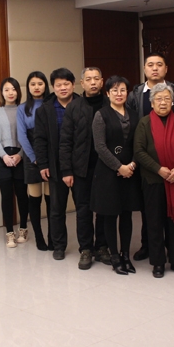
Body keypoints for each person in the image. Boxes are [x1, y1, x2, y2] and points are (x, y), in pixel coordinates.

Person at [127, 51, 174, 262]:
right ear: (152, 103)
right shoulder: (143, 120)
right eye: (158, 99)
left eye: (167, 99)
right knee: (152, 219)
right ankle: (157, 261)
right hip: (152, 177)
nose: (163, 102)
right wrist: (158, 169)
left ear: (173, 101)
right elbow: (139, 150)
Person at [60, 67, 110, 269]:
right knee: (83, 210)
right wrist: (66, 170)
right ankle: (86, 249)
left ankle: (102, 247)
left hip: (105, 168)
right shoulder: (74, 107)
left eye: (96, 78)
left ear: (102, 81)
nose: (93, 82)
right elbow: (65, 141)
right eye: (88, 79)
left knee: (104, 209)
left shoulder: (109, 104)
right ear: (82, 83)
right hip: (81, 169)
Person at [91, 76, 141, 275]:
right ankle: (114, 256)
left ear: (127, 93)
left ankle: (126, 255)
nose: (119, 94)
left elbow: (139, 144)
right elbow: (100, 147)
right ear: (108, 93)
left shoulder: (135, 115)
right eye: (114, 90)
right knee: (110, 215)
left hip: (131, 171)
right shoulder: (101, 115)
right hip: (108, 173)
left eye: (122, 90)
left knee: (127, 215)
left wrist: (133, 165)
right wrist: (119, 167)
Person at [33, 68, 82, 262]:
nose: (63, 88)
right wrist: (43, 164)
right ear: (53, 87)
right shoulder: (44, 110)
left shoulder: (83, 105)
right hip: (55, 165)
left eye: (66, 84)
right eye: (59, 85)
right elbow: (39, 139)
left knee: (83, 209)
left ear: (73, 85)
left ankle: (86, 246)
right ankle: (59, 246)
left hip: (79, 165)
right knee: (56, 209)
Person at [0, 77, 30, 247]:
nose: (10, 92)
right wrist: (4, 156)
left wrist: (20, 154)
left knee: (22, 195)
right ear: (2, 93)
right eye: (6, 89)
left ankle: (23, 228)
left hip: (21, 156)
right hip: (2, 158)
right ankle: (9, 232)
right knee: (6, 197)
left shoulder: (24, 110)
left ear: (18, 92)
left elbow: (29, 135)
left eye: (13, 89)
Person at [16, 71, 52, 250]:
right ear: (28, 87)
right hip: (32, 158)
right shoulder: (22, 108)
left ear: (45, 85)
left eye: (40, 83)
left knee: (51, 200)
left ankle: (53, 237)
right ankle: (39, 237)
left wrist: (46, 158)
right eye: (33, 84)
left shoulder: (51, 104)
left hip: (50, 156)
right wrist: (34, 158)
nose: (36, 87)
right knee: (35, 200)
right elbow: (22, 136)